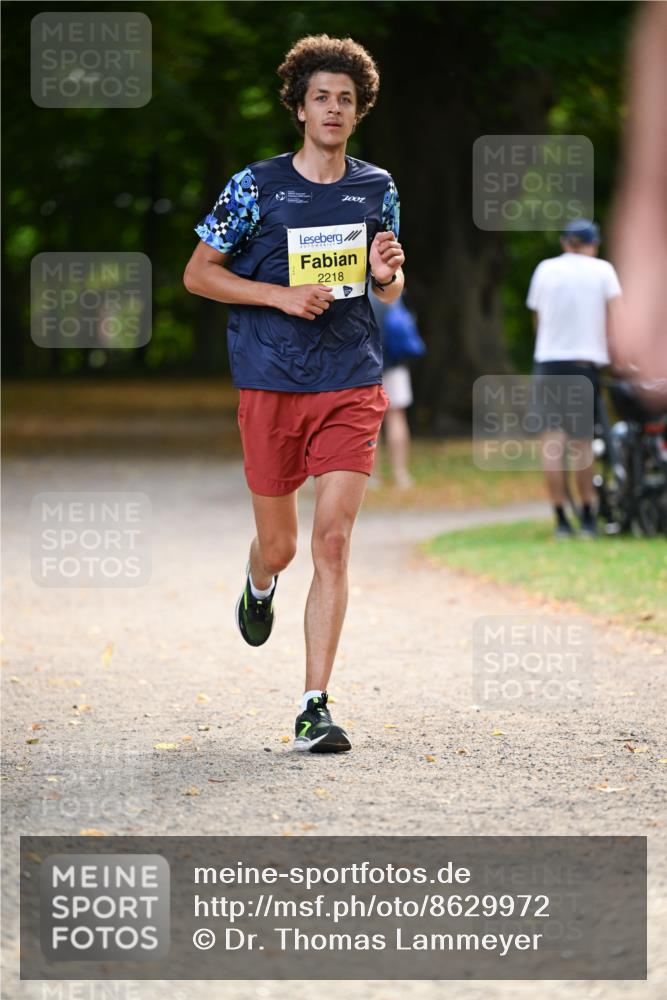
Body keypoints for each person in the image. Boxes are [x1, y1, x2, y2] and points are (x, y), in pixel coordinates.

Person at [183, 35, 404, 753]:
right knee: (280, 548)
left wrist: (385, 271)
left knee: (332, 542)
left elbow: (391, 287)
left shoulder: (377, 187)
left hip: (350, 377)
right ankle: (258, 580)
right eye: (321, 98)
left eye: (345, 98)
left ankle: (314, 705)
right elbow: (198, 274)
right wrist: (278, 297)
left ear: (357, 109)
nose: (333, 109)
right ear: (299, 108)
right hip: (271, 381)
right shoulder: (255, 186)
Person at [526, 219, 622, 539]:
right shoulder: (603, 271)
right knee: (582, 445)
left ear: (566, 243)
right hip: (584, 366)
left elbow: (537, 320)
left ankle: (561, 520)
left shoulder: (545, 269)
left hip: (549, 365)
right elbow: (617, 319)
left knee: (553, 444)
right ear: (592, 244)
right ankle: (588, 517)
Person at [368, 284, 414, 489]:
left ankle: (371, 474)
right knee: (396, 416)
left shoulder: (355, 287)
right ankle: (400, 474)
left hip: (366, 364)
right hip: (395, 362)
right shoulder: (391, 281)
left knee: (369, 420)